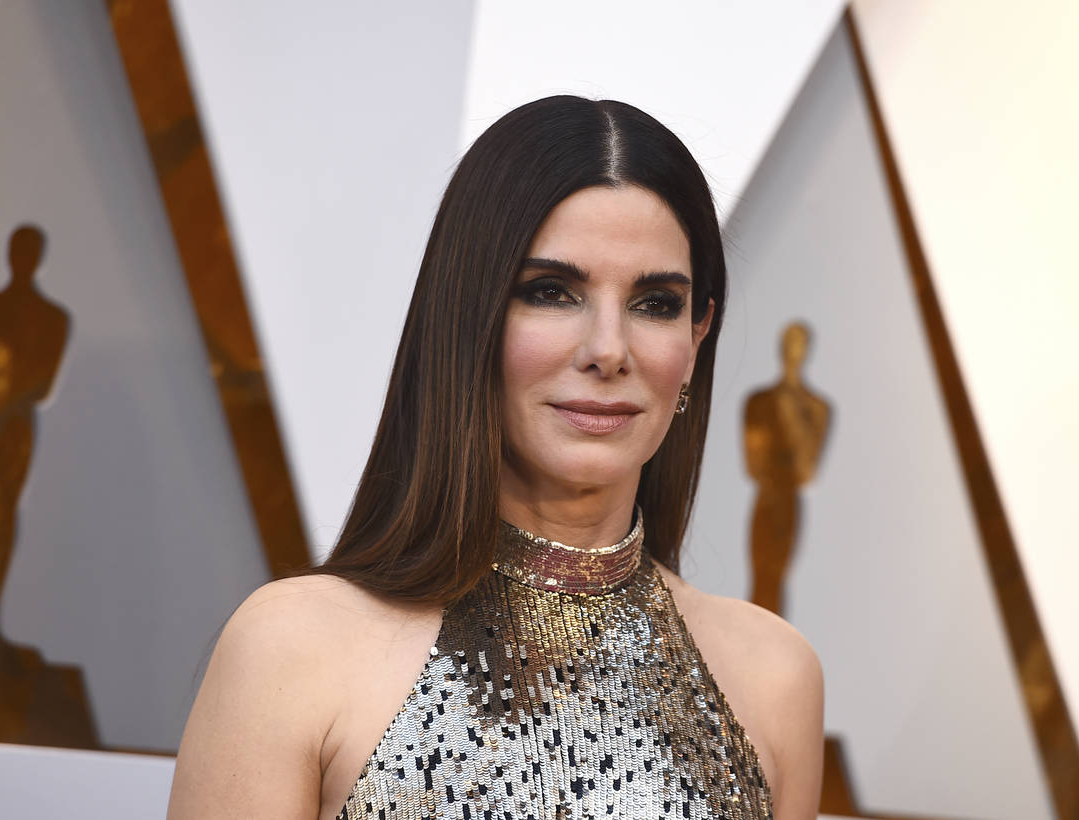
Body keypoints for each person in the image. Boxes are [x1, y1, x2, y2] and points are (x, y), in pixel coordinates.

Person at [167, 95, 823, 820]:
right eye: (551, 292)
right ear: (469, 316)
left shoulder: (773, 675)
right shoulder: (292, 648)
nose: (609, 350)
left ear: (698, 336)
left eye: (655, 303)